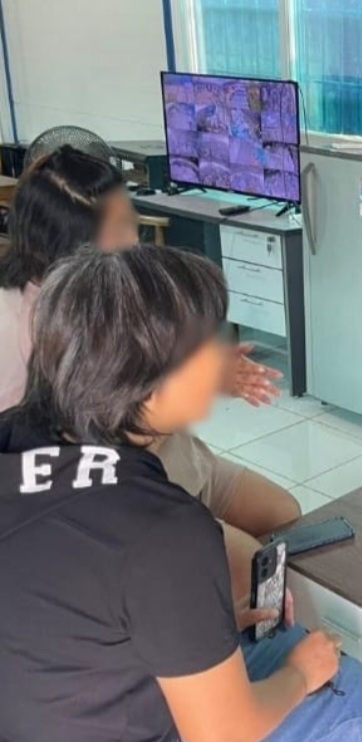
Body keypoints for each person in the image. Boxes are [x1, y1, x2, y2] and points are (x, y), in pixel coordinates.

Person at [0, 246, 362, 742]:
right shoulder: (164, 527)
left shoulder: (14, 437)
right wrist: (299, 675)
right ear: (147, 387)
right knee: (344, 689)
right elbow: (220, 734)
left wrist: (192, 631)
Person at [0, 146, 299, 550]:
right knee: (252, 559)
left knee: (285, 515)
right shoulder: (35, 334)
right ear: (76, 247)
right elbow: (99, 447)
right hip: (132, 495)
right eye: (123, 226)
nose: (136, 238)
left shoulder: (118, 298)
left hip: (183, 461)